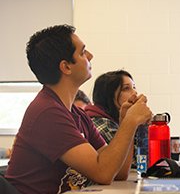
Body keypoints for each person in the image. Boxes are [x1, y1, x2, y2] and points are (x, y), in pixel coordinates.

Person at [5, 24, 152, 194]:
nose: (90, 56)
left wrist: (126, 122)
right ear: (66, 67)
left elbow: (117, 172)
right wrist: (130, 123)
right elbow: (103, 173)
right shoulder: (47, 112)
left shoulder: (77, 114)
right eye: (82, 52)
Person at [84, 70, 147, 170]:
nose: (135, 92)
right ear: (108, 95)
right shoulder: (104, 126)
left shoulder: (115, 121)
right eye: (126, 88)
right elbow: (134, 163)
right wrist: (136, 123)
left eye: (134, 87)